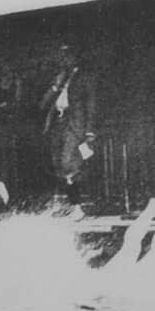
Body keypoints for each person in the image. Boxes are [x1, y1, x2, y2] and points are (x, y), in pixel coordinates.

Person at [39, 43, 97, 212]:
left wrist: (90, 131)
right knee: (58, 164)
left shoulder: (85, 76)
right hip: (58, 123)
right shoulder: (60, 78)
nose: (63, 60)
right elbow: (43, 105)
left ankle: (77, 207)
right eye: (61, 56)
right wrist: (55, 85)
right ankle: (71, 205)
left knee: (67, 163)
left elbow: (92, 105)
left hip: (75, 125)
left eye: (67, 56)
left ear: (75, 56)